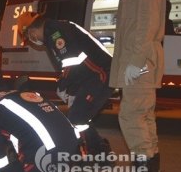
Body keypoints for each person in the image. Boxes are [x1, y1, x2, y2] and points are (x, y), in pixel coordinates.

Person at [109, 0, 166, 172]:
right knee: (144, 120)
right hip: (137, 63)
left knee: (132, 118)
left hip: (139, 64)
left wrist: (135, 61)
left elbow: (148, 22)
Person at [17, 11, 113, 161]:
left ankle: (86, 157)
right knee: (80, 115)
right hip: (94, 75)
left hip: (100, 75)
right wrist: (70, 87)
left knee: (77, 116)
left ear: (32, 31)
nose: (31, 40)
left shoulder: (55, 32)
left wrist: (63, 85)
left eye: (29, 38)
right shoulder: (54, 31)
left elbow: (72, 61)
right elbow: (75, 63)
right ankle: (99, 153)